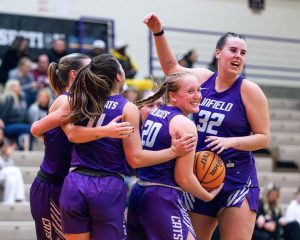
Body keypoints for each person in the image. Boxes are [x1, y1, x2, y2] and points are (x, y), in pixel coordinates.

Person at [144, 13, 270, 240]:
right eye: (233, 50)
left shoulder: (249, 90)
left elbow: (263, 137)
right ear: (218, 53)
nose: (238, 56)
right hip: (200, 175)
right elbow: (171, 68)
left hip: (237, 179)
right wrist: (158, 32)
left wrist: (231, 141)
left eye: (243, 53)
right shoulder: (202, 79)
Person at [55, 54, 196, 240]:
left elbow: (58, 131)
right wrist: (174, 151)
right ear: (119, 77)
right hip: (106, 185)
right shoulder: (126, 107)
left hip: (74, 181)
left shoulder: (80, 100)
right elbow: (135, 159)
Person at [29, 53, 134, 240]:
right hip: (52, 184)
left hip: (71, 185)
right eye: (89, 69)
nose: (94, 73)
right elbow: (36, 128)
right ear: (74, 74)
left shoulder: (88, 100)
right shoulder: (68, 100)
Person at [127, 72, 223, 239]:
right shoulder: (184, 124)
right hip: (162, 195)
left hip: (139, 192)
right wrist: (208, 196)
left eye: (199, 90)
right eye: (190, 91)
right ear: (172, 96)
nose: (198, 96)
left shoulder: (153, 115)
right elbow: (183, 178)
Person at [0, 79, 32, 150]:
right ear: (11, 88)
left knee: (30, 128)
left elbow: (25, 115)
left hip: (18, 125)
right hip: (7, 126)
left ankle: (26, 149)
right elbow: (4, 114)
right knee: (25, 128)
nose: (19, 87)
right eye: (17, 86)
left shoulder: (21, 98)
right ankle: (20, 149)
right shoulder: (9, 98)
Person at [0, 127, 25, 204]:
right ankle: (20, 197)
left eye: (2, 134)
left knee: (12, 179)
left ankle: (9, 202)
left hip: (2, 177)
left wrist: (6, 156)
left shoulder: (4, 147)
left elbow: (7, 167)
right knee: (16, 170)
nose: (1, 136)